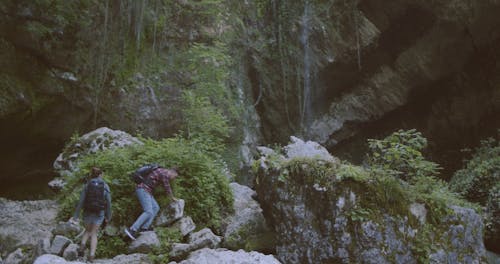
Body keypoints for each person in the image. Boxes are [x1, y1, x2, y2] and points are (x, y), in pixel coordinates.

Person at [124, 166, 179, 240]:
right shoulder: (164, 173)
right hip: (143, 190)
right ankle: (132, 230)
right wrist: (172, 198)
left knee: (156, 208)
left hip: (148, 191)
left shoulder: (162, 171)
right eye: (175, 176)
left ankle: (145, 228)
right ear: (173, 172)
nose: (174, 178)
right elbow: (167, 187)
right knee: (148, 211)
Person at [69, 167, 111, 262]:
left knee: (87, 230)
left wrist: (76, 216)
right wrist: (108, 216)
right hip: (99, 212)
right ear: (100, 175)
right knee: (94, 233)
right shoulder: (105, 186)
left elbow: (81, 201)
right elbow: (108, 202)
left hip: (87, 211)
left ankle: (82, 248)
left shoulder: (87, 185)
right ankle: (91, 256)